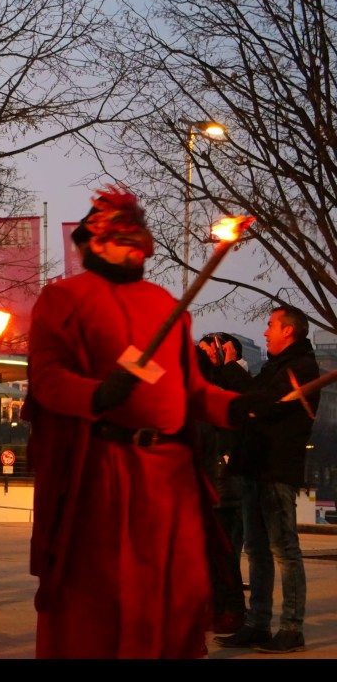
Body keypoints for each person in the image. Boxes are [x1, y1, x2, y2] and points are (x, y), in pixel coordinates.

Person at [23, 184, 278, 658]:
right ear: (94, 243)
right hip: (104, 472)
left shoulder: (167, 305)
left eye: (138, 242)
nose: (134, 250)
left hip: (170, 476)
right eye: (122, 240)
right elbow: (47, 380)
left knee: (175, 593)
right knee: (104, 596)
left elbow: (193, 391)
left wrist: (236, 407)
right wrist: (96, 393)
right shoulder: (62, 299)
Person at [213, 305, 318, 654]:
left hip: (276, 470)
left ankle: (291, 627)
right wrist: (227, 370)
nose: (265, 331)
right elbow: (251, 396)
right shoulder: (276, 367)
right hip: (254, 467)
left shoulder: (302, 368)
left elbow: (263, 402)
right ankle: (257, 623)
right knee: (256, 550)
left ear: (289, 330)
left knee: (284, 551)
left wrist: (230, 367)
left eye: (271, 324)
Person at [195, 332, 252, 634]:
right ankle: (218, 607)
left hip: (224, 480)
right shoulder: (208, 384)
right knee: (212, 552)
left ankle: (231, 609)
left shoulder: (229, 383)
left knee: (225, 551)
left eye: (207, 352)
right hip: (210, 476)